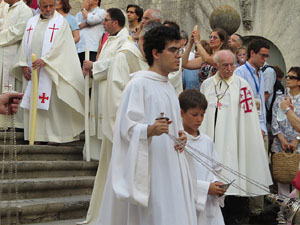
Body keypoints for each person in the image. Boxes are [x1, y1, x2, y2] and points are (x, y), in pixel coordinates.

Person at [96, 25, 197, 225]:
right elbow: (124, 129)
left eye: (180, 50)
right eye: (173, 50)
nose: (179, 55)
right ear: (155, 53)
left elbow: (172, 126)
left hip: (170, 165)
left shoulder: (168, 86)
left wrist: (181, 136)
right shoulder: (138, 85)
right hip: (150, 168)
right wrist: (149, 130)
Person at [79, 19, 155, 225]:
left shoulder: (147, 59)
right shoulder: (126, 56)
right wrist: (125, 133)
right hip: (125, 134)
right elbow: (116, 98)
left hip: (145, 135)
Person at [200, 50, 272, 223]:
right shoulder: (207, 85)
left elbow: (248, 119)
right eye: (225, 65)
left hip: (234, 142)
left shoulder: (242, 85)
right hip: (212, 140)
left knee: (234, 195)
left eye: (232, 64)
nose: (230, 68)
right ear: (216, 65)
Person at [11, 0, 85, 143]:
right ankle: (36, 136)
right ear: (39, 7)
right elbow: (24, 45)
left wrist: (46, 59)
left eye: (52, 6)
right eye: (45, 6)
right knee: (34, 103)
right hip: (33, 72)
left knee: (51, 106)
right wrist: (23, 65)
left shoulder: (61, 23)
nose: (49, 9)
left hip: (51, 70)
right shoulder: (31, 23)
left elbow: (62, 46)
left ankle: (54, 136)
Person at [82, 8, 128, 161]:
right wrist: (91, 69)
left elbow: (117, 63)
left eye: (105, 20)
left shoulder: (125, 40)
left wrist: (94, 66)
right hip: (100, 85)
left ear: (115, 22)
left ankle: (106, 159)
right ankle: (95, 156)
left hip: (112, 87)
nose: (103, 23)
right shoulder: (109, 38)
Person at [179, 89, 226, 225]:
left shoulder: (207, 140)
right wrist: (205, 188)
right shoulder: (178, 142)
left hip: (210, 204)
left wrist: (217, 185)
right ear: (182, 113)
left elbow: (216, 169)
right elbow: (177, 177)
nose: (199, 119)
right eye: (194, 114)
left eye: (202, 115)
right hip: (188, 203)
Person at [271, 67, 300, 223]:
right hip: (280, 144)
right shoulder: (279, 98)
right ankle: (283, 215)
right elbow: (275, 122)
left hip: (298, 145)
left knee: (297, 182)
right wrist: (282, 140)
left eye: (291, 77)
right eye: (286, 76)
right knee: (282, 180)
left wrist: (296, 140)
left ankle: (296, 214)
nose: (287, 79)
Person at [0, 0, 32, 128]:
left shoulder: (24, 10)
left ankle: (13, 125)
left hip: (14, 56)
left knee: (12, 88)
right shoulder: (7, 8)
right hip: (3, 54)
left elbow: (18, 31)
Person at [235, 39, 270, 150]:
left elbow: (260, 102)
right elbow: (239, 103)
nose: (265, 59)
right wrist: (253, 127)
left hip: (262, 127)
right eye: (262, 55)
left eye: (267, 56)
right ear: (252, 53)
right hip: (249, 129)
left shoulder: (260, 73)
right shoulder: (240, 72)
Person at [75, 0, 106, 66]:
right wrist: (87, 23)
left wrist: (83, 9)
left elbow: (90, 20)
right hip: (79, 49)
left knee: (91, 73)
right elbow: (75, 27)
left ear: (96, 1)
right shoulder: (78, 14)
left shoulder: (101, 12)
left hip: (93, 48)